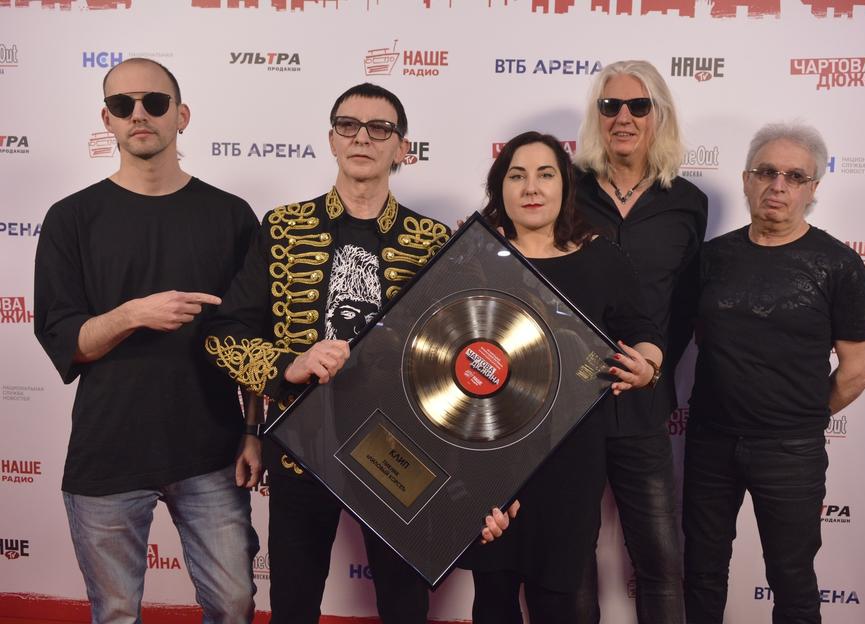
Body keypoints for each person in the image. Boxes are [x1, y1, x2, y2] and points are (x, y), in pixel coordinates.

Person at [204, 82, 513, 624]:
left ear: (402, 148)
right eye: (348, 126)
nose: (362, 138)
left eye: (380, 128)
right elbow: (225, 335)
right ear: (332, 140)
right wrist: (287, 368)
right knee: (293, 607)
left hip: (403, 459)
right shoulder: (283, 229)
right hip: (301, 451)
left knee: (404, 608)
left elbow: (461, 360)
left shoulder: (432, 240)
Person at [33, 58, 260, 624]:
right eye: (123, 104)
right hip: (107, 453)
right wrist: (134, 313)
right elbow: (69, 342)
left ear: (181, 116)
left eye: (155, 103)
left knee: (233, 605)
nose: (139, 114)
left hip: (212, 452)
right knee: (115, 613)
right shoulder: (70, 219)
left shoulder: (232, 216)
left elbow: (255, 341)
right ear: (106, 119)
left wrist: (254, 431)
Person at [461, 131, 664, 624]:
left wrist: (647, 367)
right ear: (500, 187)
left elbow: (643, 331)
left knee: (561, 600)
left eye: (545, 174)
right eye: (517, 175)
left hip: (570, 459)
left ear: (565, 186)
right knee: (492, 595)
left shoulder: (601, 257)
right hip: (487, 455)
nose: (531, 187)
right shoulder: (473, 257)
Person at [683, 122, 865, 624]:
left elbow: (858, 370)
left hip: (791, 452)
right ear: (746, 179)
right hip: (710, 442)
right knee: (701, 572)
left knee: (792, 582)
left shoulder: (839, 265)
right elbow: (696, 337)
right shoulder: (712, 257)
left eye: (795, 176)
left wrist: (800, 416)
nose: (778, 185)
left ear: (813, 189)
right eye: (766, 172)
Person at [573, 59, 708, 623]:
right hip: (569, 405)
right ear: (597, 116)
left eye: (638, 106)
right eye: (610, 106)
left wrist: (652, 371)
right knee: (570, 559)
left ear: (659, 115)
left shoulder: (688, 202)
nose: (622, 117)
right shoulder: (566, 191)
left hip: (645, 407)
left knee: (660, 561)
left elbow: (685, 307)